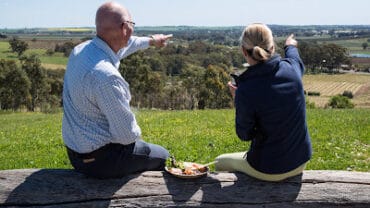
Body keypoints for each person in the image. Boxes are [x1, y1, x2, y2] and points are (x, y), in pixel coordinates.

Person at [62, 1, 172, 179]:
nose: (132, 30)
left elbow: (128, 45)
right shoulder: (107, 78)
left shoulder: (81, 51)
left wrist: (152, 41)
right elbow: (126, 136)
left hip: (75, 154)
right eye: (132, 24)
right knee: (163, 156)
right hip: (102, 161)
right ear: (125, 29)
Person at [215, 23, 312, 181]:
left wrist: (238, 100)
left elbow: (245, 134)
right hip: (300, 160)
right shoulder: (292, 70)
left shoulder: (246, 89)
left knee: (220, 162)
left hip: (267, 168)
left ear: (243, 51)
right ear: (272, 47)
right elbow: (294, 57)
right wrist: (290, 45)